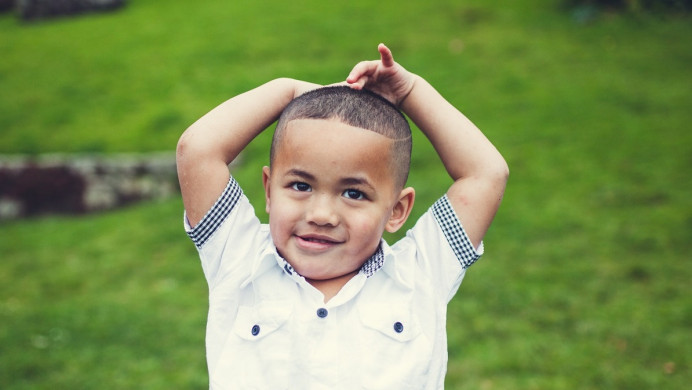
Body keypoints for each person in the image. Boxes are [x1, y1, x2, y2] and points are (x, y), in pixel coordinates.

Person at [176, 43, 508, 389]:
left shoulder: (423, 273)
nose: (322, 215)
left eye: (354, 193)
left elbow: (485, 174)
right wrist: (289, 91)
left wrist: (410, 92)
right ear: (269, 191)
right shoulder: (237, 256)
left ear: (397, 211)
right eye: (301, 186)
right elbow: (197, 150)